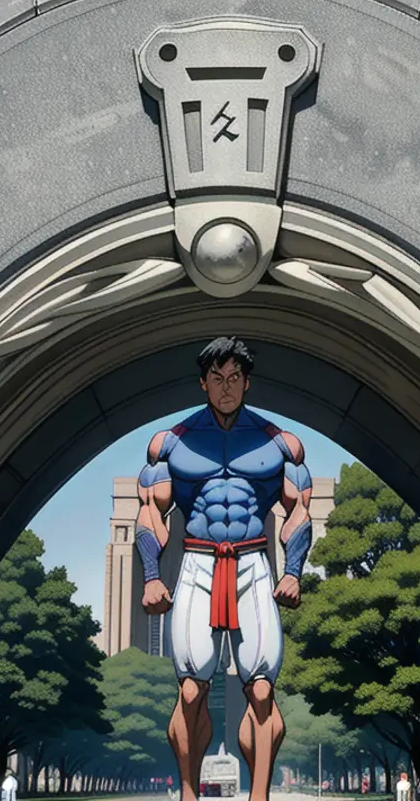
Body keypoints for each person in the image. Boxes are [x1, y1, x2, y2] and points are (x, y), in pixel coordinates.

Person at [135, 338, 314, 801]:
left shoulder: (281, 444)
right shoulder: (170, 444)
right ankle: (189, 792)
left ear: (247, 382)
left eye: (234, 377)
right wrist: (152, 576)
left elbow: (297, 511)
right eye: (217, 378)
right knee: (192, 692)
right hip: (198, 560)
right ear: (203, 383)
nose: (226, 387)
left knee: (260, 691)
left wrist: (293, 570)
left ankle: (259, 796)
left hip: (253, 561)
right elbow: (151, 512)